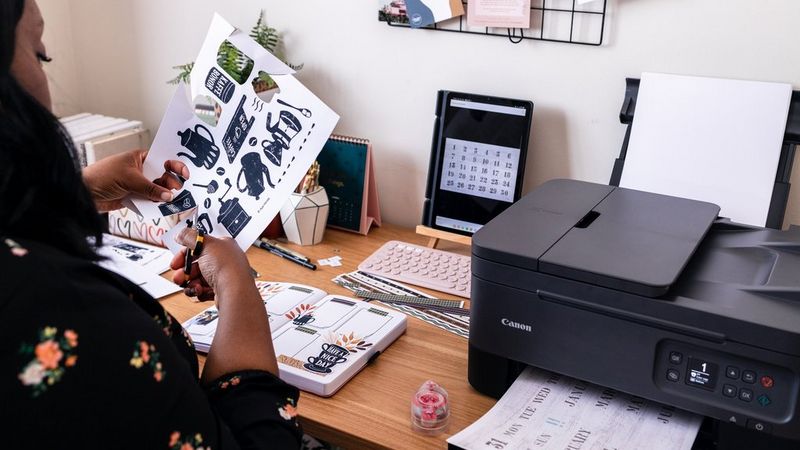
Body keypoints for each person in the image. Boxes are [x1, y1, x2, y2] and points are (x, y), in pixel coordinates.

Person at [0, 1, 301, 448]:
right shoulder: (61, 311)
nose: (47, 80)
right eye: (40, 52)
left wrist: (77, 194)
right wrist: (237, 281)